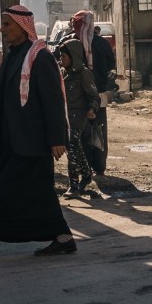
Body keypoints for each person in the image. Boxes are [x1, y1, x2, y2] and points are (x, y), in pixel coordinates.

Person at [0, 4, 76, 260]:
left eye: (6, 24)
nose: (2, 30)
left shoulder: (40, 57)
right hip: (14, 140)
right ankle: (64, 238)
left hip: (33, 141)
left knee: (4, 190)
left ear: (22, 28)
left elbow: (53, 100)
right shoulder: (13, 56)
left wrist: (57, 139)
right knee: (42, 194)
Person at [71, 9, 116, 176]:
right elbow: (111, 64)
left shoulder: (70, 42)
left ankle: (82, 166)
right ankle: (98, 166)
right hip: (99, 93)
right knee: (98, 128)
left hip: (77, 95)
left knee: (79, 130)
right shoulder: (102, 43)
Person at [55, 39, 101, 198]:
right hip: (66, 118)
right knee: (74, 148)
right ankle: (86, 175)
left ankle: (73, 185)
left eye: (64, 57)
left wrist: (91, 109)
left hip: (78, 117)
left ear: (73, 56)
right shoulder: (64, 73)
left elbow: (94, 96)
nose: (61, 60)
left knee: (72, 149)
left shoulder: (84, 74)